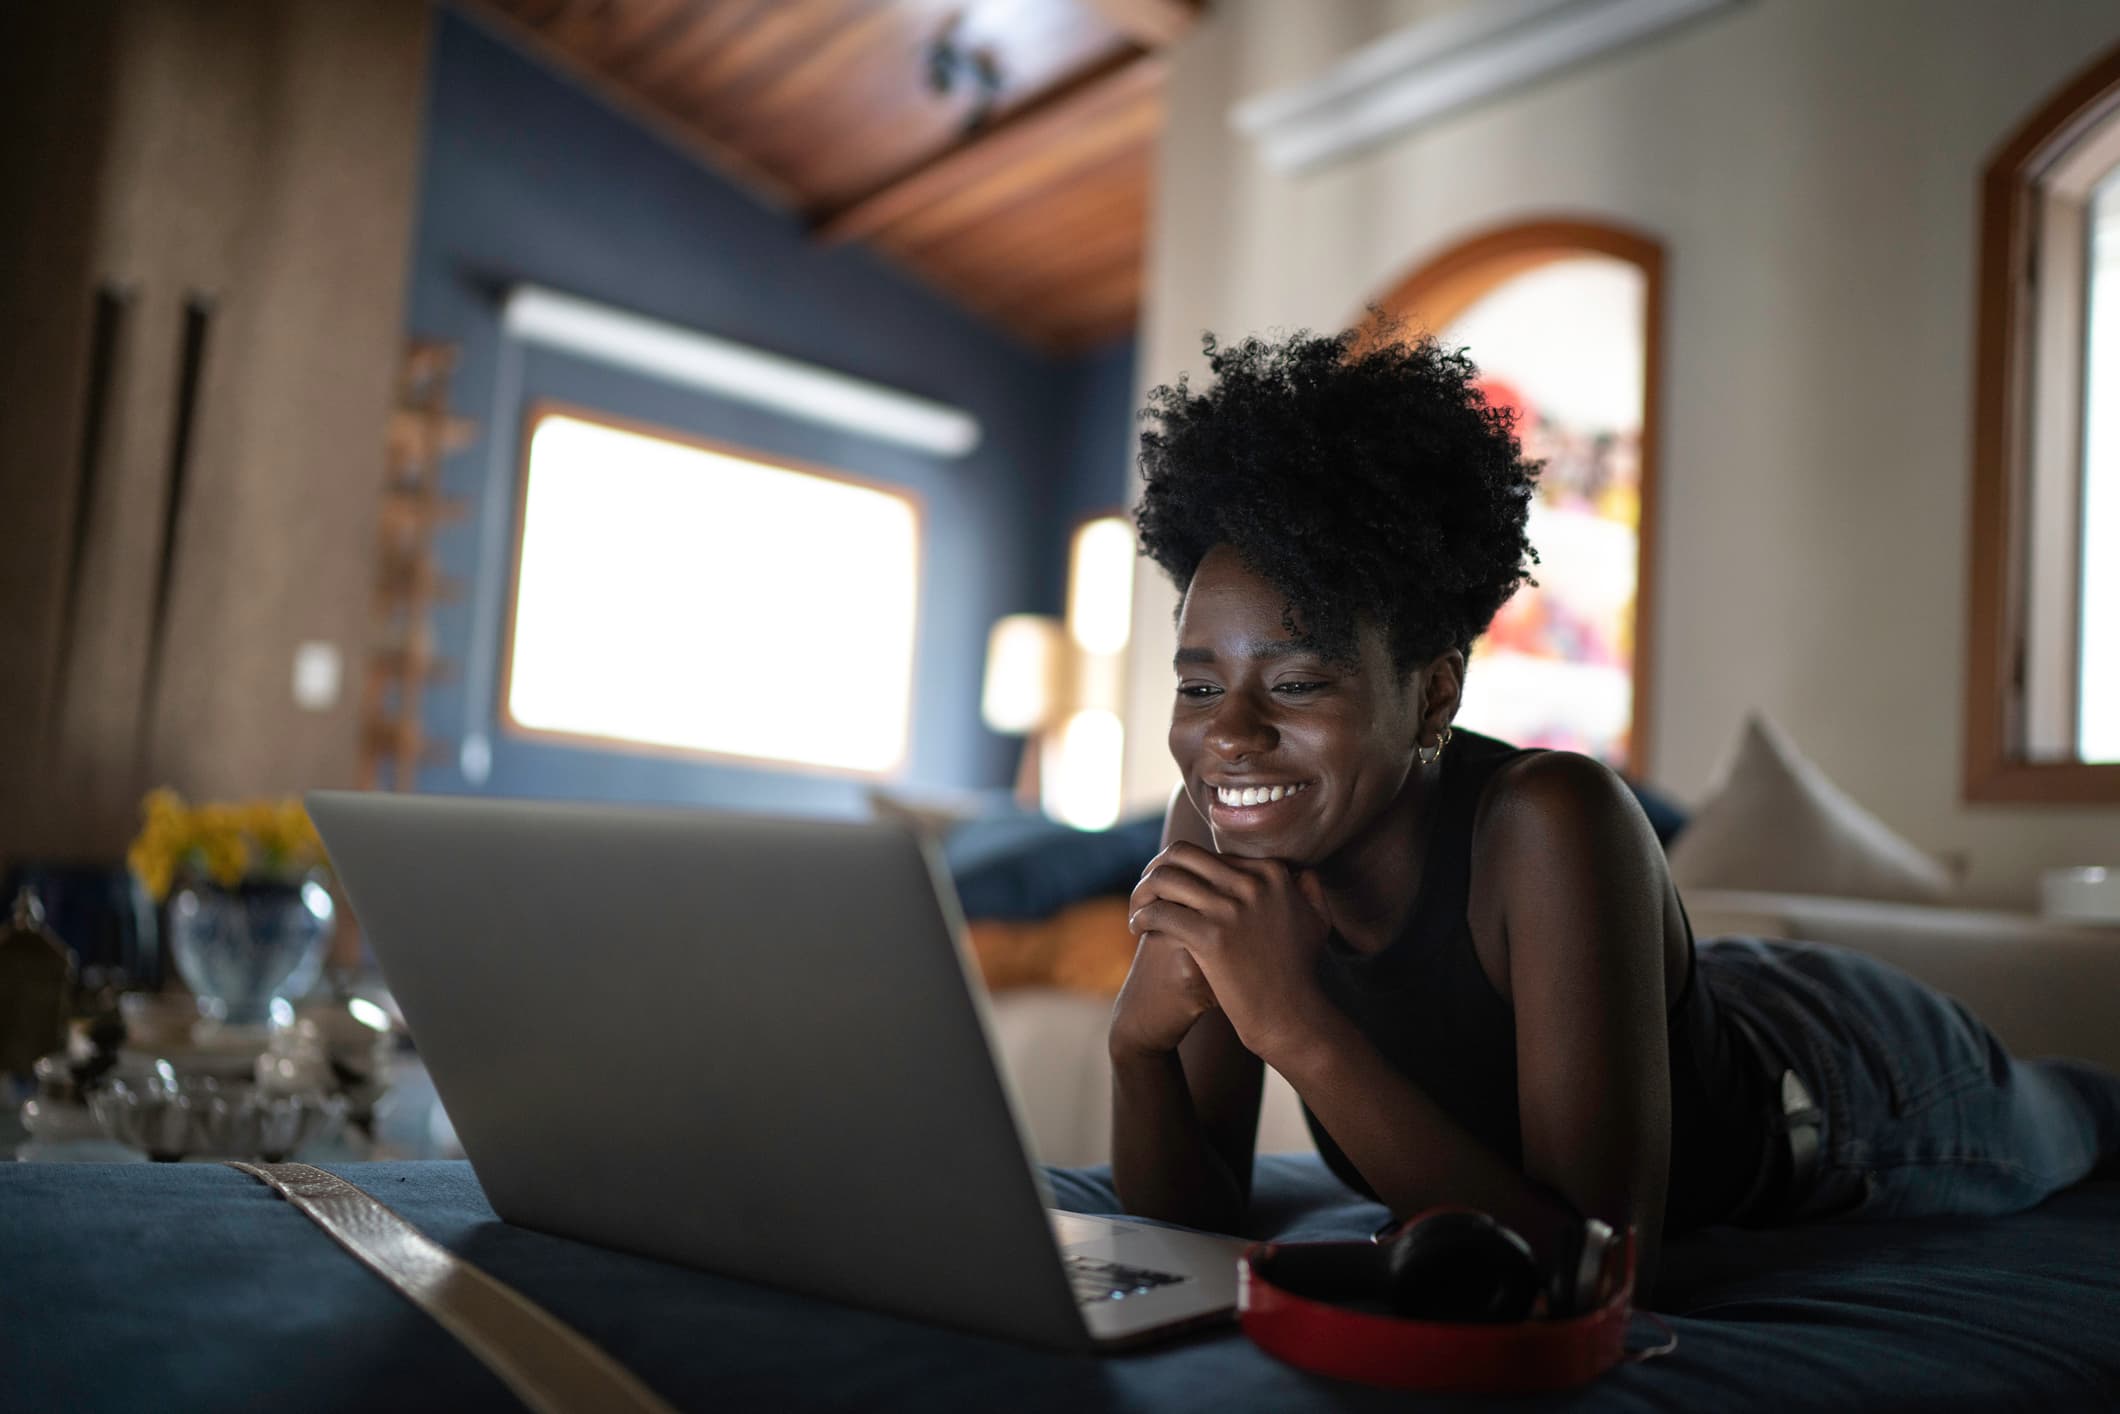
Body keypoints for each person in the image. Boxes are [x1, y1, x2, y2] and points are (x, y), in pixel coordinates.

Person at [1105, 323, 2120, 1296]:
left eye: (1295, 684)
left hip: (1852, 1082)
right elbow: (1186, 1223)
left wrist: (1294, 1025)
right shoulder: (1222, 826)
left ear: (1431, 695)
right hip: (1682, 1003)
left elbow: (1599, 1271)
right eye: (1198, 687)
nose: (1229, 734)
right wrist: (1135, 1048)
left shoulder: (1548, 818)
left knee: (2086, 1114)